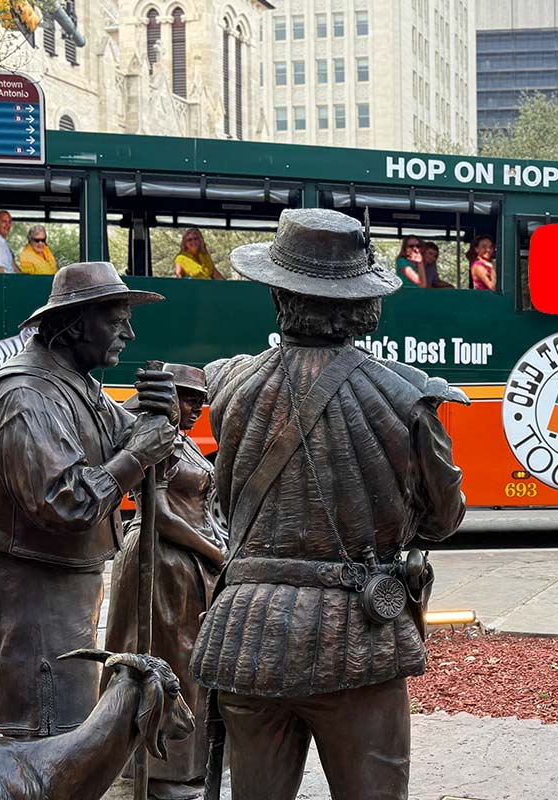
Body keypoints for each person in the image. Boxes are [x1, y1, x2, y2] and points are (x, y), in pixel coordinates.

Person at [190, 209, 468, 800]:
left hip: (246, 635)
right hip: (356, 639)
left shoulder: (227, 383)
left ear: (279, 296)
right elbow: (443, 521)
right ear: (360, 303)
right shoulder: (409, 397)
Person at [0, 262, 177, 738]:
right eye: (117, 322)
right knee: (44, 742)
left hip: (69, 591)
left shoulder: (78, 384)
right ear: (77, 323)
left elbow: (156, 460)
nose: (130, 335)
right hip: (37, 604)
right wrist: (139, 453)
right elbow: (64, 503)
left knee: (70, 741)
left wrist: (163, 418)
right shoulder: (27, 395)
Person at [103, 363, 225, 800]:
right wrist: (215, 553)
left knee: (190, 663)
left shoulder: (184, 442)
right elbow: (162, 515)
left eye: (200, 399)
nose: (196, 407)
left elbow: (197, 507)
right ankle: (158, 770)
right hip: (160, 560)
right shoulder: (155, 439)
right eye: (187, 397)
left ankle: (187, 765)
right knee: (165, 661)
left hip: (187, 562)